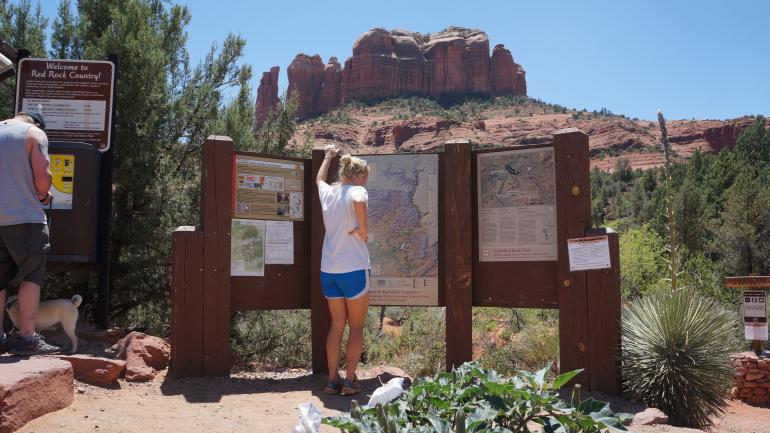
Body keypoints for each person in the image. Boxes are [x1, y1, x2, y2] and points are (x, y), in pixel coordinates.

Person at [0, 110, 61, 355]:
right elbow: (42, 181)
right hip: (25, 218)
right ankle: (27, 337)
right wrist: (45, 195)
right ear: (37, 123)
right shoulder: (34, 134)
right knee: (31, 275)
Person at [316, 144, 371, 395]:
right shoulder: (356, 190)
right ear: (358, 176)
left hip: (329, 270)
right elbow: (359, 200)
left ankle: (331, 381)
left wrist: (327, 157)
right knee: (356, 326)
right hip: (354, 269)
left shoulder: (329, 192)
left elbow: (319, 179)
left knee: (337, 325)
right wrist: (363, 228)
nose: (365, 183)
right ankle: (349, 381)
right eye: (365, 178)